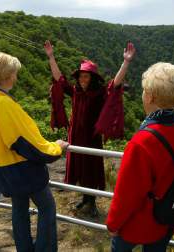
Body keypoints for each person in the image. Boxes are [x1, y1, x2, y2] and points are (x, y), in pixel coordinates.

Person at [0, 52, 69, 252]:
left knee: (19, 210)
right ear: (6, 75)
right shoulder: (4, 104)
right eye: (14, 73)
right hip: (23, 170)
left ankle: (25, 248)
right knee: (47, 208)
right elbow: (26, 143)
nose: (16, 77)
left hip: (4, 169)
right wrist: (56, 148)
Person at [106, 62, 174, 252]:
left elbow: (126, 193)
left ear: (150, 96)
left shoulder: (141, 142)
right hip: (166, 219)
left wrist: (113, 224)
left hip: (135, 224)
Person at [44, 40, 136, 216]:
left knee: (91, 170)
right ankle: (85, 199)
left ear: (92, 78)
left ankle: (92, 201)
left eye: (86, 76)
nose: (82, 79)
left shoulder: (100, 93)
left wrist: (126, 62)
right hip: (76, 137)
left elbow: (115, 84)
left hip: (91, 139)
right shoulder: (75, 91)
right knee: (80, 169)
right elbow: (59, 78)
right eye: (80, 76)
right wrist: (51, 57)